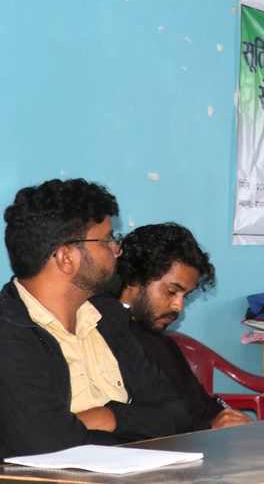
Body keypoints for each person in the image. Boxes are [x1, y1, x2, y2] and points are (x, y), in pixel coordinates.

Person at [0, 179, 190, 458]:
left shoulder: (107, 318)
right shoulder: (9, 333)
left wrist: (108, 417)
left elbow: (178, 414)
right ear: (67, 258)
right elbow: (51, 446)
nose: (117, 250)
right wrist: (137, 431)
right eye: (107, 240)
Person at [116, 223, 253, 431]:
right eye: (171, 292)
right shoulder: (108, 340)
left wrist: (230, 419)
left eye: (185, 296)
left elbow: (201, 407)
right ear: (134, 278)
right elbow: (142, 428)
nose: (178, 306)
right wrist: (208, 430)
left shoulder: (164, 344)